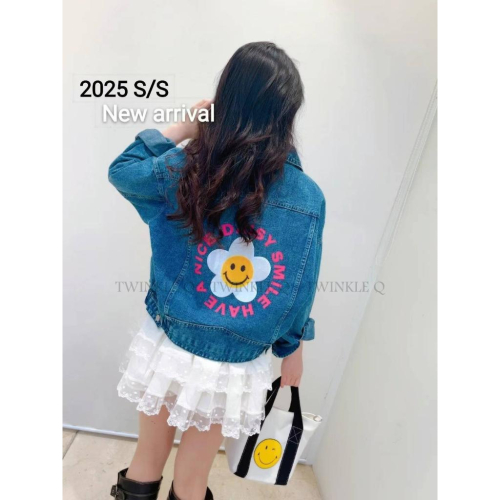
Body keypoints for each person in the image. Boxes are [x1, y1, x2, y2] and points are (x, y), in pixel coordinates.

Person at [108, 41, 325, 500]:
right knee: (192, 481)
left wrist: (187, 125)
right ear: (286, 115)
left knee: (147, 458)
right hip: (234, 362)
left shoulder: (189, 166)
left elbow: (124, 171)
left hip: (169, 341)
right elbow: (299, 286)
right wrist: (292, 350)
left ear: (226, 99)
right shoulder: (307, 198)